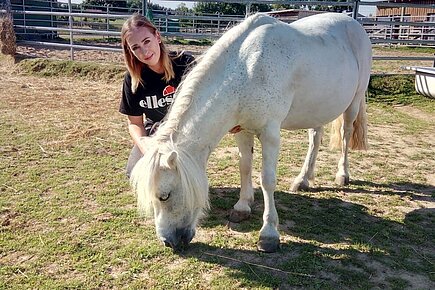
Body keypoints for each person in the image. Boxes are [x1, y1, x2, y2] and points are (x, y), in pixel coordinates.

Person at [119, 14, 195, 177]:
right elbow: (135, 124)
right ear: (130, 51)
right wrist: (146, 149)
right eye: (136, 47)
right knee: (134, 173)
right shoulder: (133, 80)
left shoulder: (185, 63)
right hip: (156, 131)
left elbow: (209, 98)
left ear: (157, 36)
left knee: (180, 169)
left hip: (187, 129)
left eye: (146, 41)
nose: (144, 51)